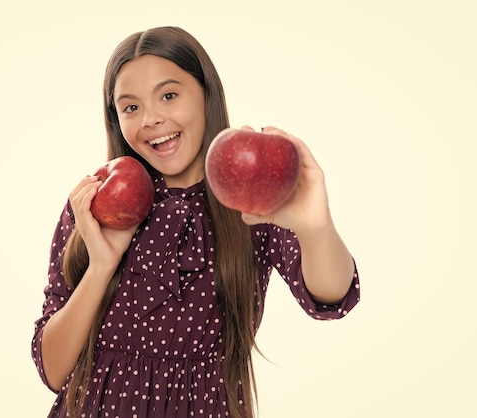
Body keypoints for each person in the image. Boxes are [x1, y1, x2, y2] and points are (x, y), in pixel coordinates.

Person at [31, 26, 360, 418]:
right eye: (131, 107)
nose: (151, 119)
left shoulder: (251, 199)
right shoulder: (93, 205)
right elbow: (53, 370)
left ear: (207, 95)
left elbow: (330, 297)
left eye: (169, 95)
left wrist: (315, 228)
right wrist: (102, 266)